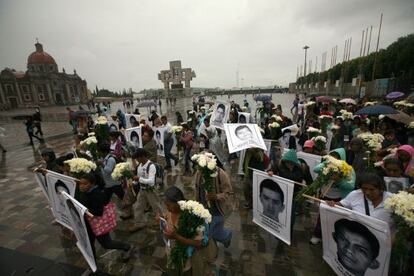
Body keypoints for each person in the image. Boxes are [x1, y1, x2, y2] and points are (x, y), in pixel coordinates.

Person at [77, 173, 134, 262]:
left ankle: (126, 247)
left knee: (107, 244)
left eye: (85, 184)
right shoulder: (86, 192)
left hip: (97, 223)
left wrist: (85, 210)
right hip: (88, 223)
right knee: (89, 243)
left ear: (92, 184)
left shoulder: (96, 194)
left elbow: (99, 212)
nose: (81, 186)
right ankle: (92, 263)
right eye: (80, 183)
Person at [162, 186, 217, 275]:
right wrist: (161, 222)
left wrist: (176, 237)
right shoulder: (170, 212)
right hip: (173, 254)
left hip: (188, 257)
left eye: (169, 205)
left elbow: (198, 243)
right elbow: (168, 224)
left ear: (178, 203)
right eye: (166, 205)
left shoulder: (191, 217)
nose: (167, 208)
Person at [327, 172, 394, 227]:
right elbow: (341, 205)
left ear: (380, 189)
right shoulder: (355, 195)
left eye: (371, 189)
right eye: (364, 189)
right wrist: (332, 204)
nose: (367, 192)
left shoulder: (392, 200)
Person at [194, 163, 233, 247]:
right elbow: (197, 188)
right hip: (204, 211)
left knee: (211, 233)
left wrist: (216, 196)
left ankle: (227, 236)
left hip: (217, 211)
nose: (200, 170)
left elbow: (228, 194)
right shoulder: (199, 172)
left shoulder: (221, 174)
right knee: (208, 232)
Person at [129, 148, 162, 232]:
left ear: (143, 156)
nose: (136, 159)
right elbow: (138, 178)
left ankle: (161, 223)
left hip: (151, 190)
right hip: (142, 189)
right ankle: (139, 223)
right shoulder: (139, 166)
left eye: (138, 158)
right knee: (138, 206)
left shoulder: (151, 166)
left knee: (156, 207)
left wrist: (138, 179)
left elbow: (151, 181)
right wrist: (134, 183)